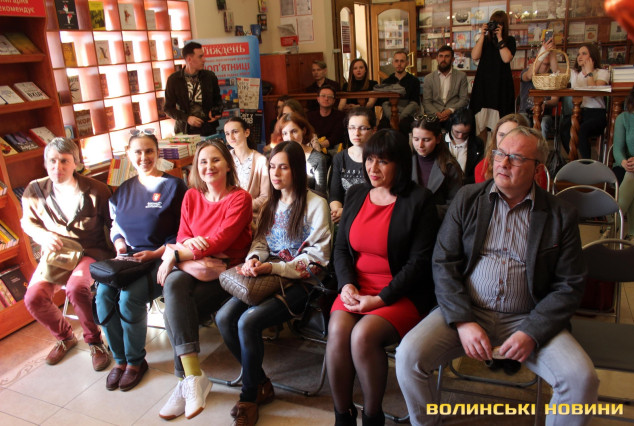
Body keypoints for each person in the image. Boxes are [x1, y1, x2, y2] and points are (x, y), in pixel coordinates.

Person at [396, 126, 599, 426]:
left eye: (516, 158)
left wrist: (532, 332)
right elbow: (444, 262)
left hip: (528, 317)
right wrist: (463, 321)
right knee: (407, 356)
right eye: (500, 154)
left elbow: (569, 285)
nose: (503, 163)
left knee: (581, 379)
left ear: (537, 169)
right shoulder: (468, 198)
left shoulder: (560, 214)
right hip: (467, 311)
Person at [215, 141, 332, 426]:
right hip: (268, 276)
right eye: (271, 166)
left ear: (297, 170)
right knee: (224, 317)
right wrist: (255, 259)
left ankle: (249, 396)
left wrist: (274, 267)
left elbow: (317, 260)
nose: (275, 173)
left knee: (248, 322)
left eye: (283, 167)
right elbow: (260, 242)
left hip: (302, 282)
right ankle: (261, 382)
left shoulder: (316, 204)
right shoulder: (271, 203)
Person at [327, 129, 438, 426]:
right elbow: (341, 249)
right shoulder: (356, 194)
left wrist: (379, 299)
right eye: (369, 160)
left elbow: (419, 264)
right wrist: (347, 284)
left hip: (400, 292)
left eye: (383, 161)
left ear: (400, 164)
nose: (372, 168)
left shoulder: (419, 200)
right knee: (337, 330)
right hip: (357, 286)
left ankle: (372, 416)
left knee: (363, 336)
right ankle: (343, 416)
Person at [157, 139, 253, 420]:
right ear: (196, 168)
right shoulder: (191, 196)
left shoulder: (240, 198)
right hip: (197, 268)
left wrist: (176, 256)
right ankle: (192, 378)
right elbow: (183, 236)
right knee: (174, 286)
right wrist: (191, 255)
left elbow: (222, 241)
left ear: (228, 165)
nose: (209, 166)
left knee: (174, 307)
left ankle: (185, 380)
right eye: (203, 162)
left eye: (215, 160)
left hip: (226, 273)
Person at [95, 130, 187, 391]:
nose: (144, 157)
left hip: (161, 258)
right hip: (127, 259)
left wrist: (156, 253)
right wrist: (120, 245)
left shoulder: (174, 186)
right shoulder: (124, 190)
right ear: (128, 155)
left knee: (129, 298)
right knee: (102, 297)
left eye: (149, 151)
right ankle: (120, 360)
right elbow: (115, 226)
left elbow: (185, 231)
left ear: (157, 153)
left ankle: (136, 362)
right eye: (138, 152)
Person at [21, 137, 112, 371]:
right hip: (58, 254)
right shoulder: (34, 191)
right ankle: (65, 337)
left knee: (76, 288)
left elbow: (114, 224)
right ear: (45, 163)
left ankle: (95, 342)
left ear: (76, 164)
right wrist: (42, 236)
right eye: (52, 161)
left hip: (91, 251)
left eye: (64, 161)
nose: (57, 167)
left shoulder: (97, 190)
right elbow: (28, 223)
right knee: (33, 297)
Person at [560, 43, 609, 159]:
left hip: (596, 113)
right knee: (564, 129)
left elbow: (593, 94)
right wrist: (550, 52)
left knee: (583, 130)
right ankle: (574, 159)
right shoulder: (574, 73)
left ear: (592, 56)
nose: (580, 57)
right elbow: (555, 70)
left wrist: (589, 72)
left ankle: (586, 163)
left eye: (584, 53)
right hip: (579, 112)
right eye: (578, 54)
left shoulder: (602, 72)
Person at [470, 10, 516, 133]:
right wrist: (482, 35)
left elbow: (506, 58)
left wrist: (500, 38)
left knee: (501, 124)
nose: (495, 27)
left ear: (504, 26)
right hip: (484, 85)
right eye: (493, 23)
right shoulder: (485, 40)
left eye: (498, 24)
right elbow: (474, 56)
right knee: (480, 124)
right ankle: (482, 146)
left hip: (501, 84)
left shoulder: (509, 41)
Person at [165, 42, 223, 136]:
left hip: (208, 129)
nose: (204, 59)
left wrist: (216, 112)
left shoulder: (210, 77)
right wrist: (187, 118)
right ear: (189, 59)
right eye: (200, 57)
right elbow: (168, 108)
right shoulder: (174, 80)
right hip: (185, 131)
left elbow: (218, 101)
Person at [329, 107, 376, 224]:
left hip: (371, 216)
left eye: (362, 128)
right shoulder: (339, 158)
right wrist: (337, 211)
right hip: (344, 217)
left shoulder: (379, 159)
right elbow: (335, 194)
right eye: (352, 128)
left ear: (373, 130)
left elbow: (380, 196)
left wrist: (346, 212)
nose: (356, 133)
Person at [410, 114, 463, 218]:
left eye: (426, 140)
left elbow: (456, 205)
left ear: (438, 138)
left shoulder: (449, 166)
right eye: (416, 139)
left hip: (437, 222)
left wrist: (430, 211)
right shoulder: (406, 162)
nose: (420, 145)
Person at [224, 117, 270, 222]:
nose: (231, 137)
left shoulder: (261, 161)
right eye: (227, 133)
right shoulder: (224, 159)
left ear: (246, 132)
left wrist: (240, 207)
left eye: (235, 132)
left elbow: (265, 197)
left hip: (251, 218)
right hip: (227, 215)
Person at [613, 79, 634, 241]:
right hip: (624, 166)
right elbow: (617, 149)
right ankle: (632, 235)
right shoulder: (624, 118)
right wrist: (626, 163)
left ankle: (614, 225)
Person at [278, 112, 328, 194]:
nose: (290, 138)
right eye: (285, 133)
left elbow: (321, 194)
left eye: (294, 131)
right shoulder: (279, 157)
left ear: (303, 131)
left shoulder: (317, 159)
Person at [519, 39, 559, 140]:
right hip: (525, 112)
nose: (546, 55)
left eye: (548, 53)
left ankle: (541, 148)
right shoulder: (526, 71)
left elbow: (555, 100)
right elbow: (529, 76)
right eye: (544, 52)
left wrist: (544, 103)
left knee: (543, 123)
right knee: (523, 123)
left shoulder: (553, 76)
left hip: (544, 115)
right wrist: (542, 52)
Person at [422, 45, 469, 127]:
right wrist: (437, 113)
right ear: (437, 58)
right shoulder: (428, 78)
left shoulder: (461, 76)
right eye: (441, 56)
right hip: (435, 115)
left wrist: (450, 110)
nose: (443, 59)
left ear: (453, 59)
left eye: (447, 56)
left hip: (454, 114)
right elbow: (426, 101)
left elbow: (464, 99)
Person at [475, 113, 529, 183]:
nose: (505, 140)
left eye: (512, 136)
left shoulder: (533, 166)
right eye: (502, 135)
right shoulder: (482, 167)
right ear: (495, 136)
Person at [380, 51, 421, 134]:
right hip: (389, 114)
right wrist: (392, 117)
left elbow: (414, 103)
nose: (399, 64)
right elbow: (384, 103)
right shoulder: (386, 82)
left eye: (402, 61)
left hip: (407, 114)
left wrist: (400, 117)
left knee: (404, 125)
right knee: (382, 127)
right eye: (396, 61)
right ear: (393, 63)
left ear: (407, 63)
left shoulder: (414, 81)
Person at [445, 108, 484, 185]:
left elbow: (477, 173)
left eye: (465, 133)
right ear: (451, 125)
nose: (460, 136)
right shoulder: (440, 141)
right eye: (457, 132)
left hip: (466, 186)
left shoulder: (477, 143)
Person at [307, 85, 347, 151]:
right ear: (318, 99)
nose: (326, 99)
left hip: (333, 149)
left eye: (330, 97)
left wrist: (319, 146)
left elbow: (336, 137)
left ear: (334, 101)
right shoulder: (310, 116)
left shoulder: (341, 116)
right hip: (313, 148)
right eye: (323, 96)